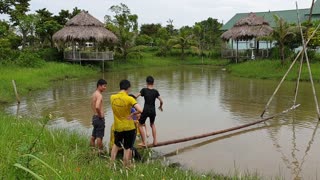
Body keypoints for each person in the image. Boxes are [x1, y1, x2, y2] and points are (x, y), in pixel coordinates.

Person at [110, 80, 143, 167]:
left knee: (116, 144)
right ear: (128, 88)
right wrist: (132, 114)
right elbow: (140, 110)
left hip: (118, 126)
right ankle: (126, 164)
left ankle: (111, 163)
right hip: (129, 127)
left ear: (120, 87)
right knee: (127, 147)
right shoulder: (129, 98)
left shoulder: (112, 97)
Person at [136, 76, 163, 146]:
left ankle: (144, 142)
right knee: (152, 124)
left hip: (146, 110)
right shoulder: (155, 91)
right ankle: (155, 141)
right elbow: (161, 100)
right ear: (153, 83)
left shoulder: (144, 90)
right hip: (153, 110)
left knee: (140, 125)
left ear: (146, 83)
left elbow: (136, 96)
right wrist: (160, 106)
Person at [90, 79, 107, 153]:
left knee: (93, 137)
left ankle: (92, 151)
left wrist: (96, 114)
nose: (105, 88)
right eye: (104, 86)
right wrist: (100, 115)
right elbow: (97, 106)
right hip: (99, 118)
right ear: (99, 85)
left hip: (94, 117)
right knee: (99, 137)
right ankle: (100, 152)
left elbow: (92, 105)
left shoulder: (94, 94)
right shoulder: (99, 95)